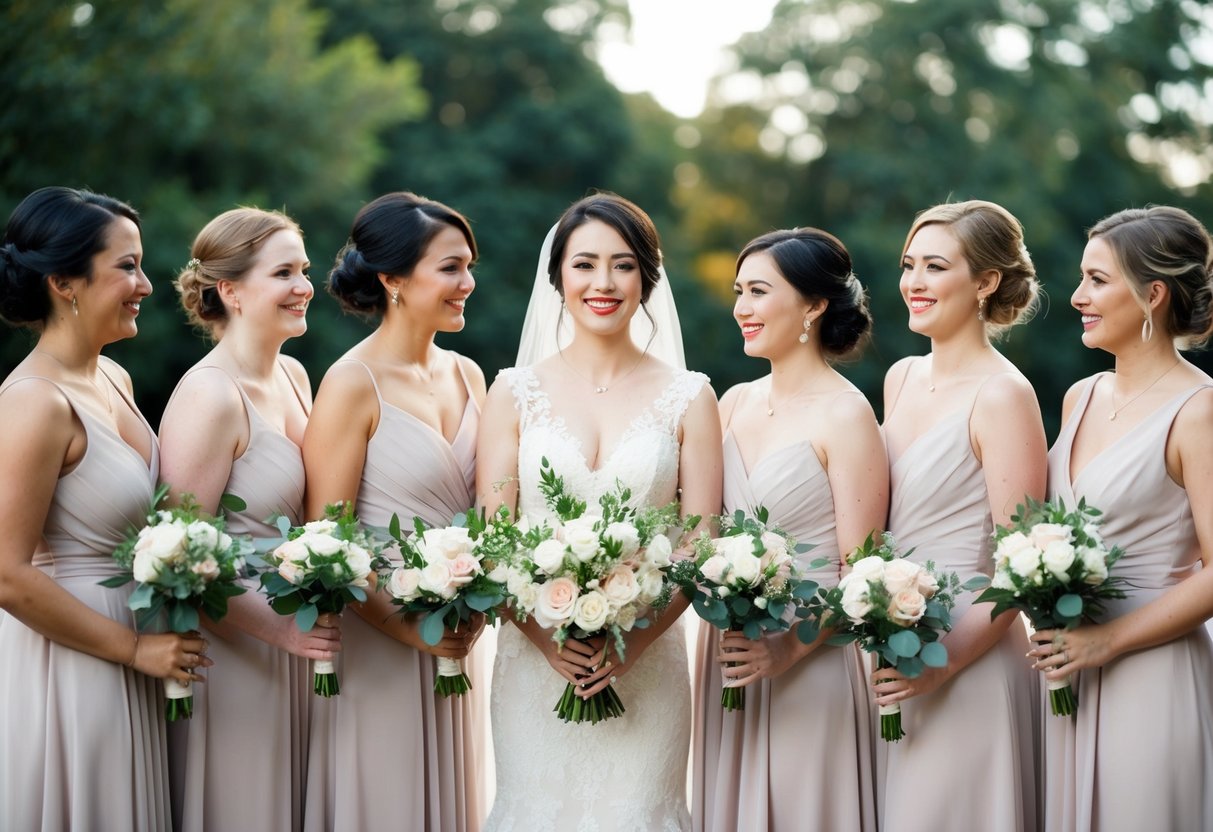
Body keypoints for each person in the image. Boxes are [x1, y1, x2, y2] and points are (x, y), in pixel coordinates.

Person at [478, 192, 723, 831]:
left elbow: (700, 544)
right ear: (558, 275)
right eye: (584, 264)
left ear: (646, 278)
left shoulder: (690, 397)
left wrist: (634, 642)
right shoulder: (511, 392)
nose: (603, 283)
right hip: (534, 666)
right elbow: (492, 541)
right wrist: (547, 640)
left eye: (623, 265)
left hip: (648, 664)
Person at [0, 186, 208, 830]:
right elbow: (6, 572)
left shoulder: (112, 377)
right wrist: (132, 650)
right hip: (73, 661)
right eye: (127, 266)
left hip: (135, 646)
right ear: (64, 281)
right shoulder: (33, 402)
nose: (145, 283)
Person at [302, 192, 485, 832]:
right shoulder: (352, 383)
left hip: (458, 635)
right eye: (451, 268)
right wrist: (408, 629)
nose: (468, 283)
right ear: (393, 279)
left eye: (469, 266)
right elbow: (326, 538)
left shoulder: (468, 375)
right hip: (378, 635)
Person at [691, 228, 884, 831]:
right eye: (738, 291)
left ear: (814, 305)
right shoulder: (732, 403)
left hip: (812, 660)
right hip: (729, 658)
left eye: (758, 291)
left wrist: (788, 648)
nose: (741, 308)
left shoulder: (848, 414)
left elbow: (863, 572)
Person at [1028, 206, 1213, 831]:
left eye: (1097, 280)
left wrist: (1107, 640)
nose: (1078, 296)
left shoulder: (1199, 411)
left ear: (1153, 294)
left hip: (1150, 675)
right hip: (1068, 677)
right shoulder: (1081, 397)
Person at [158, 207, 331, 831]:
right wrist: (281, 634)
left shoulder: (293, 375)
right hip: (233, 654)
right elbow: (178, 559)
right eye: (284, 272)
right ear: (229, 290)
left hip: (296, 642)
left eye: (304, 270)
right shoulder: (208, 395)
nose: (304, 286)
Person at [875, 200, 1043, 831]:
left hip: (968, 657)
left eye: (935, 267)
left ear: (985, 282)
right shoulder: (901, 378)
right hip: (895, 644)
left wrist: (936, 666)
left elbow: (1019, 567)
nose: (914, 283)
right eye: (908, 265)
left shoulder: (1003, 395)